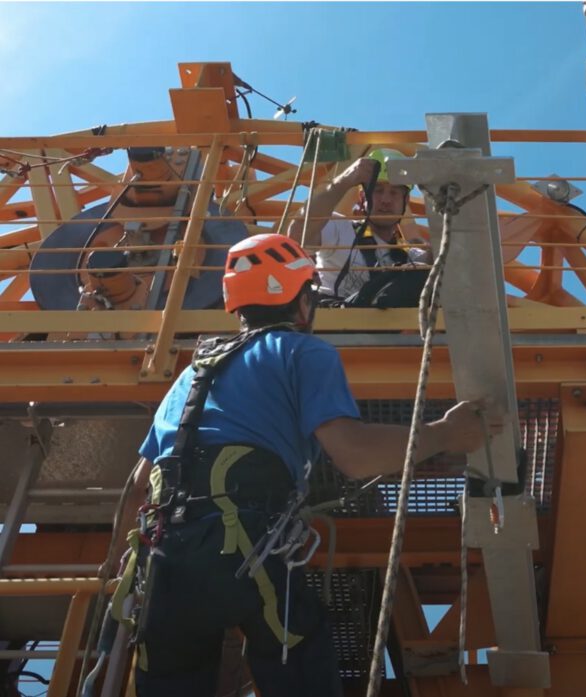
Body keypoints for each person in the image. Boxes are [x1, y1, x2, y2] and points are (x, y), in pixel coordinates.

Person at [116, 233, 500, 696]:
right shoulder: (302, 351)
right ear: (302, 300)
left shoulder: (191, 374)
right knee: (299, 653)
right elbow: (354, 455)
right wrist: (444, 434)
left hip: (164, 566)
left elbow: (137, 490)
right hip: (243, 546)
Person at [288, 148, 430, 307]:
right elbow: (297, 235)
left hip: (384, 327)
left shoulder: (409, 254)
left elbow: (445, 267)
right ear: (363, 198)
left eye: (394, 192)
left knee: (420, 272)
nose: (386, 200)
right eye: (378, 190)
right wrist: (343, 182)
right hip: (335, 321)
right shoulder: (339, 229)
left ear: (406, 200)